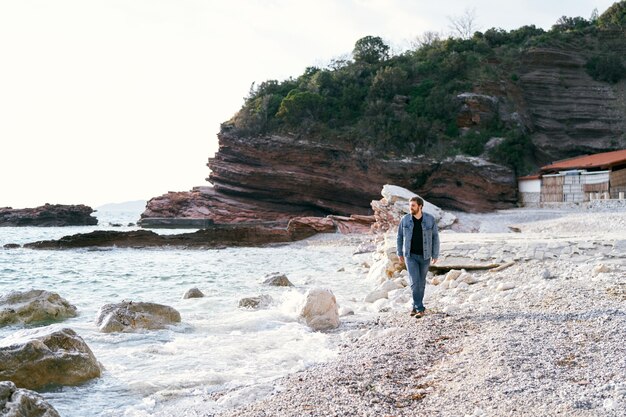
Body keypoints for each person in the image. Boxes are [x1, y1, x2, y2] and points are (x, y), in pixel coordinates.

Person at [396, 196, 440, 318]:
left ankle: (415, 306)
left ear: (420, 206)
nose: (410, 207)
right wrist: (399, 252)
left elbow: (435, 237)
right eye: (410, 205)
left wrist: (435, 254)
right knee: (415, 283)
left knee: (421, 283)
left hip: (425, 256)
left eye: (413, 205)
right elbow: (399, 237)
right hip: (410, 256)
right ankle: (420, 309)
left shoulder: (430, 219)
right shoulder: (405, 219)